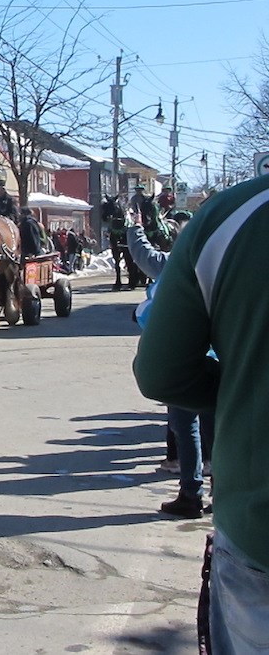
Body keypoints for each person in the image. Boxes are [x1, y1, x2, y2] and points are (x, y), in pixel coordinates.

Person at [132, 174, 269, 649]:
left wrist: (239, 395)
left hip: (260, 530)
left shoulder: (231, 217)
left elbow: (159, 372)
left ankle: (191, 486)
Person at [127, 221, 213, 519]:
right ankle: (221, 490)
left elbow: (152, 313)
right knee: (215, 427)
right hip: (219, 359)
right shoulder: (224, 267)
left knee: (186, 426)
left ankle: (191, 493)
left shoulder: (175, 272)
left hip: (186, 359)